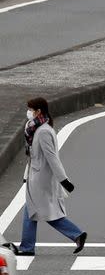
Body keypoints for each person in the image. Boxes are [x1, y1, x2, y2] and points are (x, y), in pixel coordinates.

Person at [17, 97, 87, 256]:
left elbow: (52, 157)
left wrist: (64, 180)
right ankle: (28, 247)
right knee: (34, 211)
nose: (28, 113)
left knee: (40, 211)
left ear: (38, 111)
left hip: (41, 179)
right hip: (35, 176)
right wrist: (26, 174)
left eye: (31, 109)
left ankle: (76, 234)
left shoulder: (43, 132)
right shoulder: (34, 128)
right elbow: (32, 156)